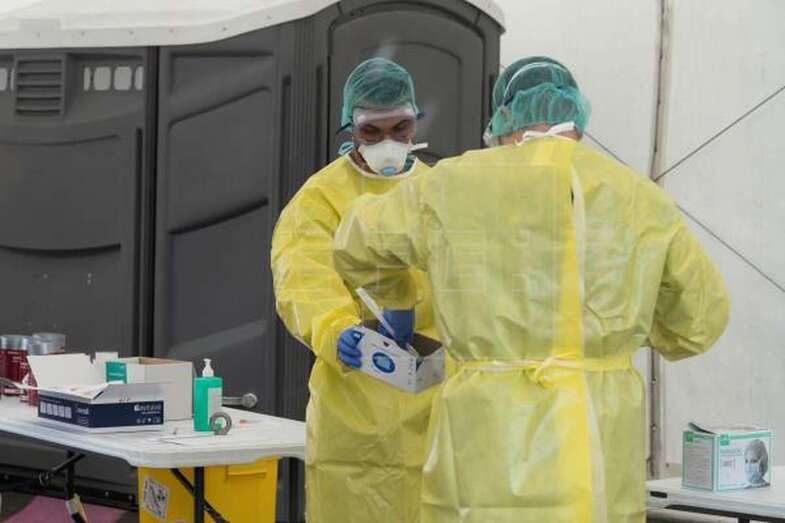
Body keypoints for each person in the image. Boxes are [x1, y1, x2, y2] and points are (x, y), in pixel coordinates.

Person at [332, 56, 730, 522]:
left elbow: (355, 244)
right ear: (577, 117)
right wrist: (619, 326)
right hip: (597, 444)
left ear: (502, 119)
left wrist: (397, 297)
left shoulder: (449, 186)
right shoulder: (640, 198)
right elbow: (699, 323)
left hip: (484, 448)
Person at [271, 57, 438, 523]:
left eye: (401, 127)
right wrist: (337, 330)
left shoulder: (438, 190)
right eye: (372, 131)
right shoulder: (321, 197)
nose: (389, 142)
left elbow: (467, 274)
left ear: (415, 121)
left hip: (436, 406)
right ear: (350, 128)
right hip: (354, 408)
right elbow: (302, 276)